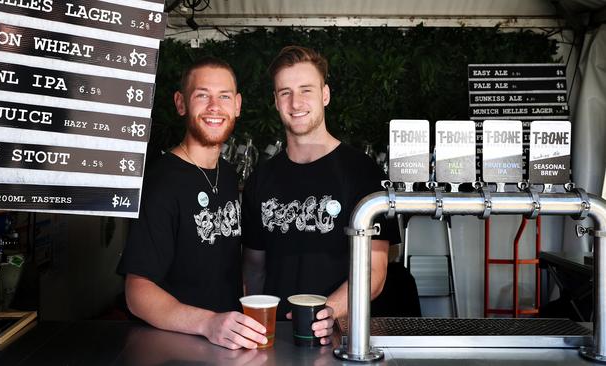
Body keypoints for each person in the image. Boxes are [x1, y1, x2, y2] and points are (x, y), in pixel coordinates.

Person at [242, 46, 402, 326]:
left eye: (306, 90)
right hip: (277, 338)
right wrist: (258, 326)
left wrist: (325, 313)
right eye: (285, 93)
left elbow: (375, 271)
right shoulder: (260, 179)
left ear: (324, 95)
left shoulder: (363, 172)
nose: (296, 102)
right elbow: (254, 269)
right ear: (276, 102)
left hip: (344, 336)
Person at [117, 57, 268, 350]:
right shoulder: (162, 182)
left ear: (237, 105)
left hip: (225, 345)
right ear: (181, 103)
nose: (214, 106)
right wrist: (208, 322)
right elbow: (137, 292)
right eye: (202, 95)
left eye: (224, 96)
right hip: (175, 349)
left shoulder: (226, 174)